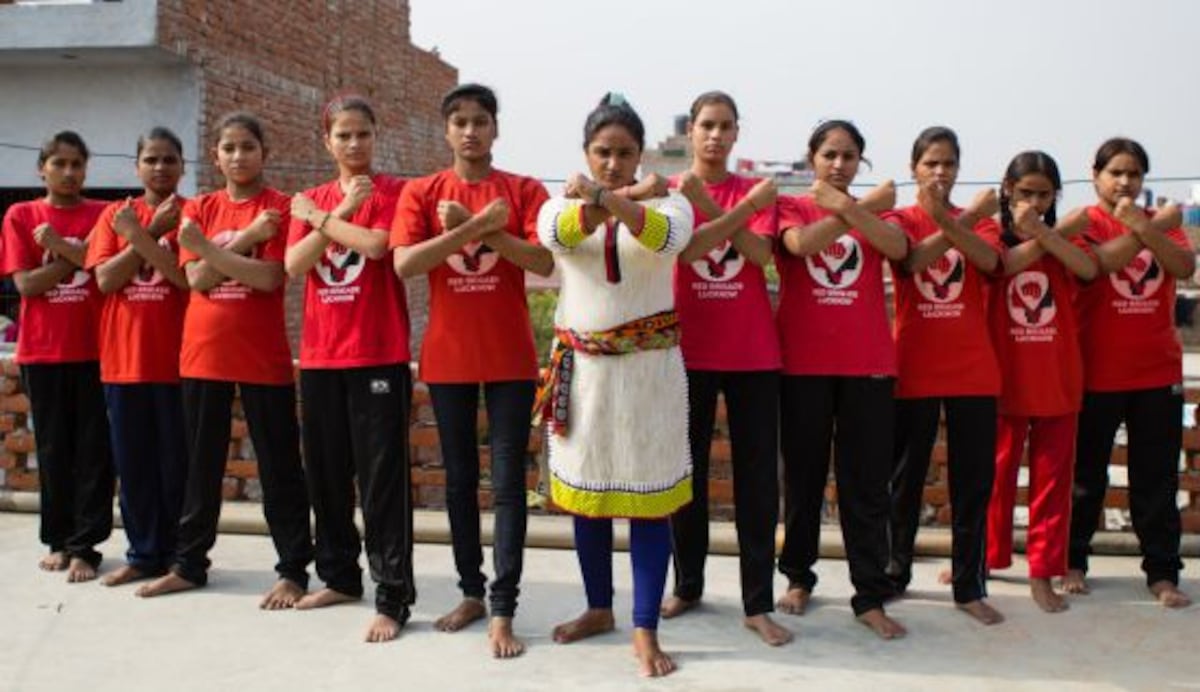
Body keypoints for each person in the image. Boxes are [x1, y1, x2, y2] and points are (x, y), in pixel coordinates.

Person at [391, 83, 552, 658]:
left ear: (495, 128)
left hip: (510, 356)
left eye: (480, 121)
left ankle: (504, 607)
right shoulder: (422, 191)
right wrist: (464, 229)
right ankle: (470, 591)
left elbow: (542, 259)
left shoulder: (523, 190)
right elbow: (406, 262)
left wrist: (488, 227)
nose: (470, 131)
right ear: (445, 130)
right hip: (449, 356)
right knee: (459, 482)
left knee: (508, 486)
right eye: (459, 121)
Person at [536, 93, 694, 677]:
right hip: (586, 379)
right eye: (602, 153)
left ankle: (644, 627)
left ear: (640, 154)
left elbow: (662, 240)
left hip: (651, 379)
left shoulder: (674, 210)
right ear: (585, 152)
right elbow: (570, 228)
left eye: (624, 153)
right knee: (589, 499)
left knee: (651, 505)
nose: (612, 161)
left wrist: (609, 196)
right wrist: (616, 198)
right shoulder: (554, 209)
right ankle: (598, 608)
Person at [137, 112, 314, 609]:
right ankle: (189, 564)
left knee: (280, 469)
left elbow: (269, 279)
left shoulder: (279, 209)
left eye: (248, 147)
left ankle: (294, 570)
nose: (238, 156)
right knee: (199, 468)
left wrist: (210, 250)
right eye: (229, 148)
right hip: (202, 356)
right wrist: (242, 240)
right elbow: (195, 282)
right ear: (215, 155)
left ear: (265, 152)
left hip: (263, 358)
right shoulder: (201, 206)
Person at [658, 90, 791, 646]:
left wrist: (714, 207)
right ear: (690, 130)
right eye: (706, 125)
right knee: (682, 478)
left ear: (737, 134)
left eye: (725, 126)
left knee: (757, 482)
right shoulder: (668, 195)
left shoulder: (756, 193)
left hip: (753, 353)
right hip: (685, 351)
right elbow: (682, 254)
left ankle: (757, 602)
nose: (715, 135)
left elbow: (761, 258)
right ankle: (688, 585)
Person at [286, 95, 415, 642]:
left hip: (378, 354)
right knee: (326, 474)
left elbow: (379, 245)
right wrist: (331, 212)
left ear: (375, 136)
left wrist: (318, 220)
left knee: (382, 481)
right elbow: (294, 265)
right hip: (320, 357)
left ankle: (393, 597)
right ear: (327, 141)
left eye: (362, 134)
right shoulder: (314, 199)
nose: (353, 144)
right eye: (343, 136)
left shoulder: (394, 193)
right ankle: (339, 575)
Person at [775, 120, 908, 639]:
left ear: (860, 163)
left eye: (849, 156)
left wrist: (855, 208)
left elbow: (897, 249)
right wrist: (858, 208)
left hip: (868, 366)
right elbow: (803, 245)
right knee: (803, 481)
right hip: (802, 364)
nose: (839, 164)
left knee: (866, 487)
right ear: (812, 158)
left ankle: (869, 595)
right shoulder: (792, 206)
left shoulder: (880, 213)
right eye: (830, 154)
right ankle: (798, 578)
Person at [1065, 138, 1193, 608]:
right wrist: (1145, 228)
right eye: (1115, 172)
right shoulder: (1085, 223)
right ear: (1095, 174)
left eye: (1134, 173)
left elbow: (1183, 264)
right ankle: (1073, 560)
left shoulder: (1163, 226)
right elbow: (1094, 268)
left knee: (1156, 479)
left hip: (1157, 372)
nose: (1125, 181)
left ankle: (1162, 573)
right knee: (1085, 479)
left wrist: (1147, 226)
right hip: (1095, 373)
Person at [885, 126, 1005, 624]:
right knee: (903, 479)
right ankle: (894, 573)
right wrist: (964, 218)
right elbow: (911, 262)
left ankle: (968, 584)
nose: (940, 172)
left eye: (949, 164)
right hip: (913, 364)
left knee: (973, 483)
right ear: (914, 167)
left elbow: (988, 262)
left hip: (973, 369)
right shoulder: (900, 219)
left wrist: (962, 221)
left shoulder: (980, 225)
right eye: (931, 163)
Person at [985, 151, 1097, 613]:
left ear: (1056, 196)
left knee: (1053, 484)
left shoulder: (1073, 238)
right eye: (1024, 191)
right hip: (1001, 377)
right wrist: (1039, 236)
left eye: (1043, 194)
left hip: (1057, 376)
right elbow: (1000, 266)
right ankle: (985, 559)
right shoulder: (989, 234)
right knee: (993, 477)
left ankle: (1042, 571)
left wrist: (1047, 234)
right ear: (1007, 189)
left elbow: (1089, 270)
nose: (1033, 200)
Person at [0, 131, 112, 583]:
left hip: (96, 350)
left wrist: (64, 249)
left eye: (77, 165)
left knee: (94, 451)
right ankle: (58, 541)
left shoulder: (103, 214)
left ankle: (87, 547)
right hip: (43, 352)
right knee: (52, 450)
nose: (68, 173)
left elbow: (105, 270)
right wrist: (77, 255)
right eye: (59, 163)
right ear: (42, 168)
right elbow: (26, 286)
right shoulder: (21, 215)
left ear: (86, 170)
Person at [84, 127, 189, 588]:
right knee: (134, 465)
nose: (160, 167)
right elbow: (105, 279)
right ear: (137, 166)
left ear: (182, 166)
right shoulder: (114, 214)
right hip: (124, 362)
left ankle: (181, 557)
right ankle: (143, 554)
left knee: (176, 466)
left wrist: (147, 236)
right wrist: (146, 231)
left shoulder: (193, 214)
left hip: (180, 364)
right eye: (152, 159)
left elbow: (183, 278)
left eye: (169, 159)